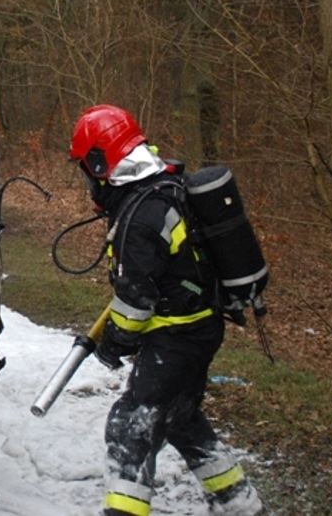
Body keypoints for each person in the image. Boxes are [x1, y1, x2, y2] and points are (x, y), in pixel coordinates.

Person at [69, 104, 263, 516]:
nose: (87, 178)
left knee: (129, 428)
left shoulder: (140, 215)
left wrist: (114, 343)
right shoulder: (164, 187)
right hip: (201, 328)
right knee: (181, 420)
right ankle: (241, 504)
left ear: (101, 163)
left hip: (175, 338)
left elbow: (136, 300)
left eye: (87, 167)